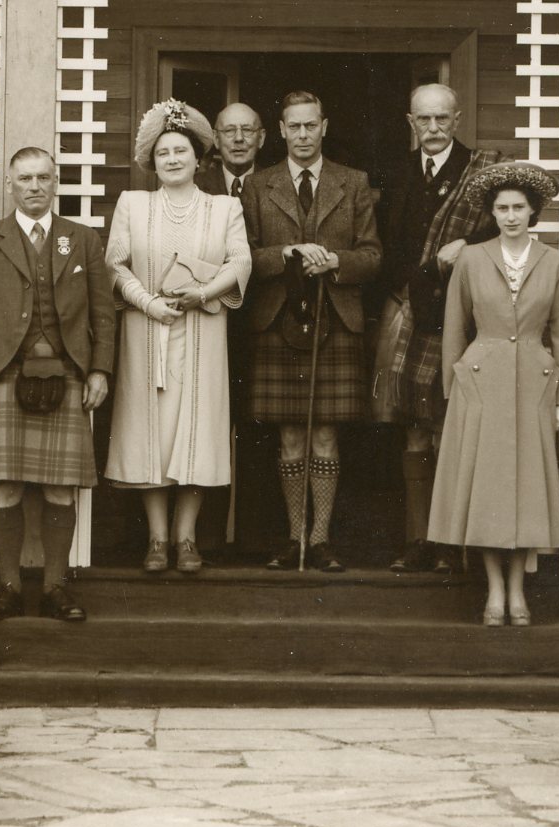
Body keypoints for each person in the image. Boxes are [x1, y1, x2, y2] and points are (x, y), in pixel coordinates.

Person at [0, 147, 115, 624]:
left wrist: (100, 369)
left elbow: (103, 314)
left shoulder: (82, 240)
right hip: (5, 374)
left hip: (66, 374)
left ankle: (55, 588)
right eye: (25, 178)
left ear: (57, 181)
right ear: (10, 184)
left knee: (61, 490)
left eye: (44, 178)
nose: (35, 187)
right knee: (5, 489)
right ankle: (7, 589)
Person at [105, 100, 251, 574]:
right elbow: (115, 264)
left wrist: (202, 292)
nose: (172, 159)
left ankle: (187, 538)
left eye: (181, 151)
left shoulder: (224, 206)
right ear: (153, 159)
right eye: (164, 152)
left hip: (202, 328)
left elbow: (241, 262)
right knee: (152, 431)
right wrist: (148, 303)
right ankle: (157, 538)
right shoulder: (134, 203)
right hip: (146, 329)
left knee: (196, 430)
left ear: (198, 157)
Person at [428, 163, 559, 626]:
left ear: (533, 211)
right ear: (491, 213)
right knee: (487, 490)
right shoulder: (471, 259)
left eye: (518, 208)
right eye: (501, 208)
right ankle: (494, 590)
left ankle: (519, 591)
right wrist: (455, 389)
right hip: (482, 382)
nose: (510, 216)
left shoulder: (555, 263)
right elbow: (454, 327)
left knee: (527, 490)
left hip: (534, 382)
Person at [242, 91, 381, 572]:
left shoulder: (354, 182)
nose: (302, 135)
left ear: (324, 126)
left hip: (335, 317)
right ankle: (293, 537)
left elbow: (373, 256)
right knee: (289, 439)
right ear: (280, 131)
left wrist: (336, 261)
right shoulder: (258, 186)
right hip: (278, 320)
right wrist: (284, 254)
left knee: (325, 435)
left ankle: (320, 540)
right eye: (293, 127)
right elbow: (245, 257)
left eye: (310, 126)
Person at [373, 82, 501, 573]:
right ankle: (418, 540)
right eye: (423, 120)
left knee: (450, 429)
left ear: (458, 118)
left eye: (441, 119)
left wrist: (467, 242)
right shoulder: (397, 171)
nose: (432, 129)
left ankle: (452, 542)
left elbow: (506, 225)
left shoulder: (482, 174)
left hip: (461, 318)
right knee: (413, 432)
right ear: (410, 122)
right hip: (408, 315)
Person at [199, 101, 275, 556]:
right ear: (216, 139)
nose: (240, 139)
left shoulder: (274, 184)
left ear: (264, 137)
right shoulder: (198, 183)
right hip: (206, 318)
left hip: (263, 320)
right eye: (230, 131)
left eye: (249, 130)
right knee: (207, 424)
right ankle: (206, 538)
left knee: (258, 425)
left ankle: (254, 538)